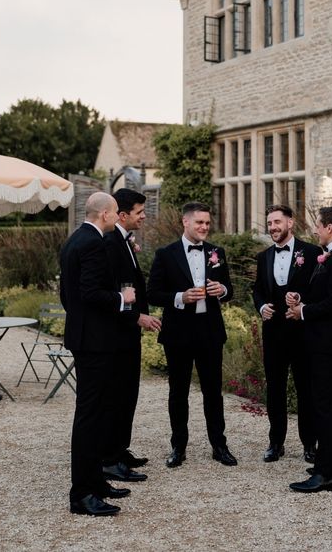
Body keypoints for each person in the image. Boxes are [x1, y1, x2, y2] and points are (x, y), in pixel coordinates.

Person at [59, 191, 134, 517]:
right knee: (89, 417)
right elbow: (90, 293)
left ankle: (96, 483)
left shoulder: (75, 239)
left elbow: (68, 296)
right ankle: (82, 494)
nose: (119, 217)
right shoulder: (92, 243)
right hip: (95, 342)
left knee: (98, 412)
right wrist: (122, 298)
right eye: (116, 212)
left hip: (87, 338)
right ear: (104, 214)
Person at [147, 201, 237, 468]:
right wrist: (180, 297)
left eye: (207, 223)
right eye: (199, 222)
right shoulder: (166, 254)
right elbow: (152, 293)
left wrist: (221, 290)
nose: (204, 227)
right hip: (178, 334)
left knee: (213, 392)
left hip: (210, 332)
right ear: (185, 222)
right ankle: (178, 447)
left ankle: (219, 446)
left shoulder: (216, 252)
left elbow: (230, 290)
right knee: (178, 392)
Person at [285, 205, 332, 493]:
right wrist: (300, 296)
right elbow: (324, 293)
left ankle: (326, 475)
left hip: (326, 342)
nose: (314, 230)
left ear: (329, 227)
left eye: (317, 225)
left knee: (325, 406)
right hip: (325, 341)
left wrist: (303, 312)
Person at [101, 188, 161, 480]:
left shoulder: (124, 241)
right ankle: (110, 459)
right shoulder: (112, 243)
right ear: (123, 215)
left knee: (128, 394)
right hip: (118, 334)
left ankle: (120, 449)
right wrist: (138, 318)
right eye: (139, 212)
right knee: (118, 395)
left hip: (128, 334)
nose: (144, 216)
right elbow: (115, 292)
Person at [252, 204, 319, 463]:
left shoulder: (312, 253)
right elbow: (257, 289)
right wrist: (261, 306)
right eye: (269, 223)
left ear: (290, 223)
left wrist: (301, 298)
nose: (273, 227)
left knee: (306, 389)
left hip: (302, 333)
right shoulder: (264, 256)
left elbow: (319, 289)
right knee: (275, 390)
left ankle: (309, 445)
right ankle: (275, 442)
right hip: (274, 334)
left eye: (277, 222)